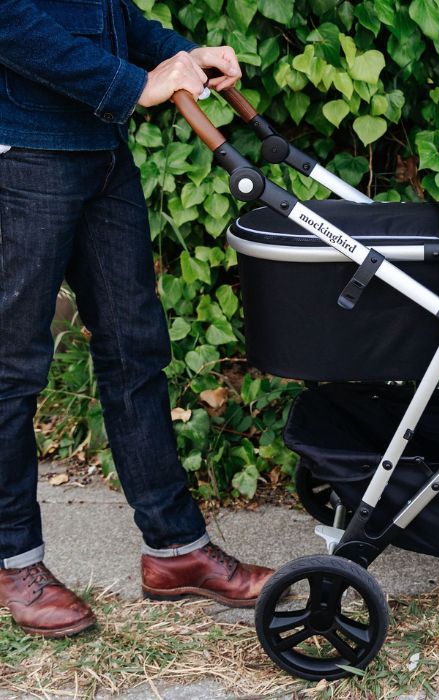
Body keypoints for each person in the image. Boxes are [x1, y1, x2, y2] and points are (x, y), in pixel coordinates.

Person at [0, 0, 274, 638]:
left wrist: (179, 54)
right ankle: (14, 563)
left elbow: (109, 14)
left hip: (101, 151)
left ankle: (176, 551)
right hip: (22, 157)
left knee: (135, 349)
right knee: (12, 368)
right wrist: (136, 84)